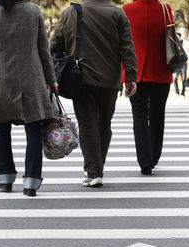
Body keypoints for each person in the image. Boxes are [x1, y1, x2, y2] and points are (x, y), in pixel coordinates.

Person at [51, 0, 137, 188]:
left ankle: (94, 171)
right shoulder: (118, 14)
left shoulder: (70, 13)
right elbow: (128, 47)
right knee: (104, 124)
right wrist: (130, 76)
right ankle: (97, 166)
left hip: (81, 78)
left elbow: (55, 45)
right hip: (110, 80)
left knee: (87, 123)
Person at [0, 0, 57, 197]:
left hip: (3, 79)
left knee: (2, 128)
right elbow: (43, 48)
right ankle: (31, 182)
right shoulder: (33, 11)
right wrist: (51, 79)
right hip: (32, 78)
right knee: (33, 128)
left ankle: (5, 179)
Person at [123, 0, 174, 175]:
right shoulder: (165, 9)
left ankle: (145, 162)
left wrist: (124, 73)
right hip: (161, 69)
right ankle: (154, 156)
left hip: (136, 72)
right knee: (158, 114)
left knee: (139, 115)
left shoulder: (127, 9)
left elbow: (123, 44)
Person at [173, 32, 189, 97]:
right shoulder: (174, 43)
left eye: (178, 37)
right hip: (176, 64)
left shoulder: (186, 43)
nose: (177, 38)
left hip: (183, 63)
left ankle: (183, 93)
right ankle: (176, 92)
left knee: (183, 79)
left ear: (180, 37)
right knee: (174, 78)